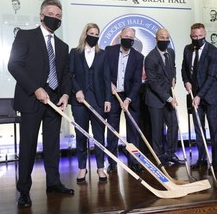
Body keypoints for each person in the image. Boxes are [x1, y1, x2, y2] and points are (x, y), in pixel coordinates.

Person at [8, 0, 74, 208]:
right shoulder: (26, 36)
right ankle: (24, 191)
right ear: (41, 15)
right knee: (27, 147)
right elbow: (14, 65)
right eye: (51, 14)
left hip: (54, 103)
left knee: (53, 146)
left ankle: (53, 183)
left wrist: (65, 95)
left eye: (59, 16)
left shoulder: (63, 47)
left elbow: (65, 75)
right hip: (31, 100)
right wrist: (35, 88)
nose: (55, 18)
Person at [70, 23, 111, 184]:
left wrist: (108, 99)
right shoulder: (74, 53)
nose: (94, 36)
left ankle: (100, 167)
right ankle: (82, 167)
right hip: (79, 101)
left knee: (99, 135)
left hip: (98, 100)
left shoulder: (103, 54)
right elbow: (70, 75)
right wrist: (77, 91)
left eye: (96, 33)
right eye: (91, 33)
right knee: (81, 135)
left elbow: (107, 78)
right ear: (85, 34)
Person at [181, 23, 217, 172]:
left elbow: (211, 76)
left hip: (209, 96)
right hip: (194, 96)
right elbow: (184, 68)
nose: (197, 38)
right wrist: (186, 81)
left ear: (205, 34)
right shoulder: (187, 49)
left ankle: (216, 159)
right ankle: (202, 158)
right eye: (195, 36)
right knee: (199, 129)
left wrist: (199, 95)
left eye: (200, 36)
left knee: (213, 128)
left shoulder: (213, 51)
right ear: (191, 36)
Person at [106, 27, 144, 173]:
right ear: (120, 36)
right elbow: (105, 72)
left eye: (131, 37)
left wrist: (128, 99)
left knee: (133, 131)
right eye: (126, 36)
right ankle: (112, 162)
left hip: (130, 98)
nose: (128, 38)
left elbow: (137, 82)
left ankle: (134, 161)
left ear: (134, 39)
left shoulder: (138, 57)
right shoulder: (110, 51)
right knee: (112, 130)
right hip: (113, 96)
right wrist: (110, 84)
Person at [144, 28, 183, 166]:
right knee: (157, 129)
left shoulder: (171, 52)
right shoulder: (150, 58)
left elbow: (173, 67)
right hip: (156, 99)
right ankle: (159, 157)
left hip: (168, 95)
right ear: (156, 39)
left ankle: (171, 154)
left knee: (173, 125)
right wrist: (169, 98)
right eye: (162, 37)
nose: (165, 40)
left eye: (167, 37)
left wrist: (174, 79)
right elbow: (153, 83)